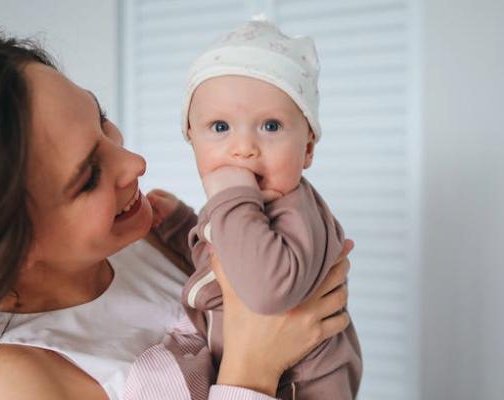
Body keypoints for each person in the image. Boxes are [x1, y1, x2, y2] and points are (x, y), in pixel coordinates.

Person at [0, 35, 352, 400]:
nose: (135, 162)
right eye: (88, 177)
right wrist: (251, 368)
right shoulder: (12, 384)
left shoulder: (151, 233)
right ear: (7, 246)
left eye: (102, 121)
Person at [150, 20, 361, 399]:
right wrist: (180, 224)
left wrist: (231, 197)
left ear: (308, 148)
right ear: (191, 140)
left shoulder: (293, 209)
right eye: (219, 127)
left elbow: (266, 291)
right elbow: (225, 264)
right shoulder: (242, 209)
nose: (243, 147)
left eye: (270, 125)